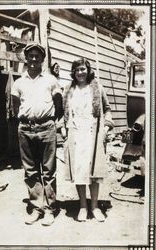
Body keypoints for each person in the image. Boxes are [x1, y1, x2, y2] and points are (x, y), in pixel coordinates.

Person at [11, 42, 63, 226]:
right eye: (30, 56)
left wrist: (50, 122)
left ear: (42, 59)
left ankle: (50, 209)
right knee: (31, 171)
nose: (34, 59)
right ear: (26, 58)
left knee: (49, 171)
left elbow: (59, 104)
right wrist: (25, 121)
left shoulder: (51, 80)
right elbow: (15, 106)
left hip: (46, 128)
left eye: (37, 56)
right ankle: (36, 208)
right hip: (25, 129)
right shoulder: (18, 82)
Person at [62, 58, 114, 222]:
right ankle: (83, 207)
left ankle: (95, 207)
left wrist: (106, 128)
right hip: (75, 133)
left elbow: (107, 109)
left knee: (93, 172)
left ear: (88, 70)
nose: (80, 73)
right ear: (73, 72)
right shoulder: (68, 89)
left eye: (83, 69)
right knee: (79, 171)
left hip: (93, 133)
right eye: (77, 70)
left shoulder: (97, 87)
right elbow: (62, 111)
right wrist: (63, 128)